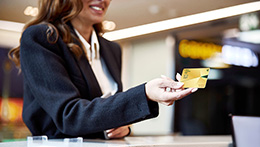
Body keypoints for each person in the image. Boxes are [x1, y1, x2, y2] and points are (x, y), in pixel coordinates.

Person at [8, 0, 197, 139]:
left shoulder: (111, 49)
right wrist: (145, 93)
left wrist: (125, 127)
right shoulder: (43, 37)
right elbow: (69, 116)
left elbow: (109, 110)